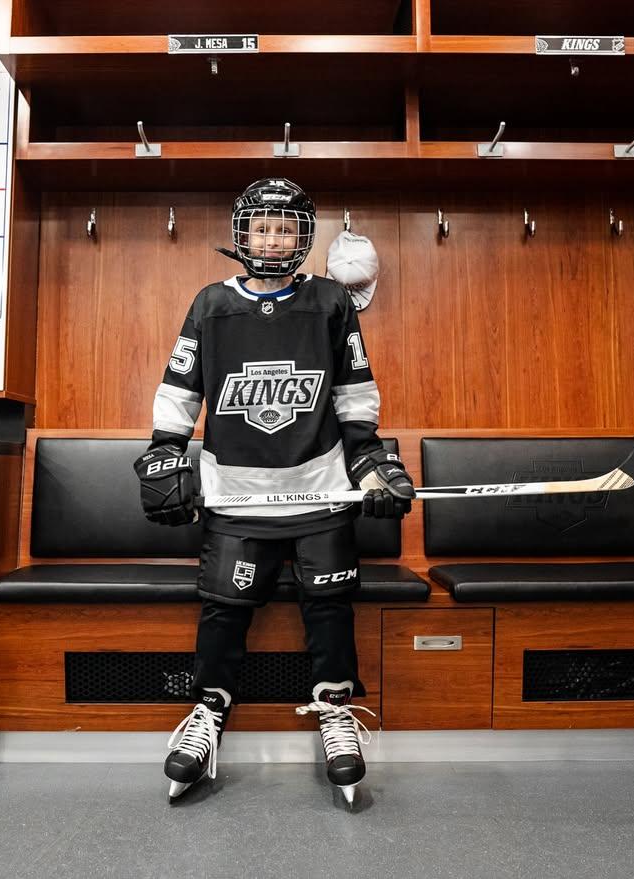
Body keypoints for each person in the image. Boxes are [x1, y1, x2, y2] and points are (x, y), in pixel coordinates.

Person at [134, 178, 415, 805]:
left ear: (302, 237)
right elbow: (181, 389)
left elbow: (353, 392)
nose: (273, 237)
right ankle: (207, 714)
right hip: (236, 497)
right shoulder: (210, 304)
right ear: (244, 234)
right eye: (262, 227)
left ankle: (337, 710)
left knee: (329, 607)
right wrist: (163, 452)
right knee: (224, 610)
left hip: (319, 494)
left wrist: (371, 462)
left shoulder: (330, 303)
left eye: (284, 227)